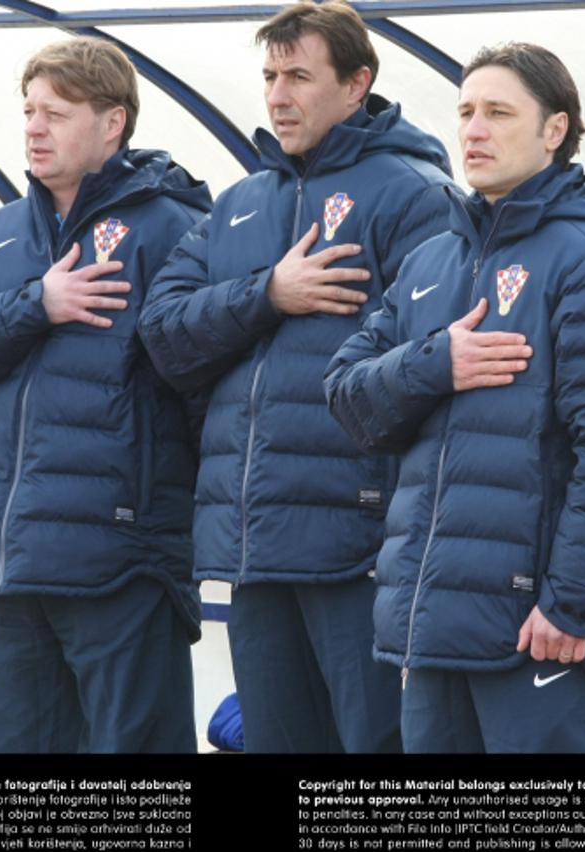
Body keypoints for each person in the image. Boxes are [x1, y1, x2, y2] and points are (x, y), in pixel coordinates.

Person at [325, 42, 585, 753]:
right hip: (428, 630)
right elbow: (347, 398)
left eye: (498, 113)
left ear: (553, 130)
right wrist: (435, 363)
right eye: (466, 112)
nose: (474, 130)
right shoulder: (431, 260)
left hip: (537, 635)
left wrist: (568, 606)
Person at [138, 0, 454, 754]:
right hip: (254, 541)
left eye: (300, 76)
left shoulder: (414, 193)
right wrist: (266, 295)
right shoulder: (243, 201)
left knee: (375, 746)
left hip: (360, 540)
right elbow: (162, 334)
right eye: (271, 76)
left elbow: (434, 357)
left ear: (356, 84)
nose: (278, 95)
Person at [0, 38, 211, 753]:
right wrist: (33, 305)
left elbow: (204, 386)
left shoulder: (174, 228)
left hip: (121, 561)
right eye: (29, 111)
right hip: (7, 567)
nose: (35, 128)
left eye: (58, 112)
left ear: (114, 124)